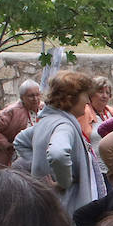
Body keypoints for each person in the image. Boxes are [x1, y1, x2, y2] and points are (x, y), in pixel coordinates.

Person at [31, 70, 105, 217]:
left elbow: (20, 141)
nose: (88, 101)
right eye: (85, 95)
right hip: (68, 215)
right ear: (70, 98)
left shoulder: (46, 121)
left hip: (50, 210)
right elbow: (58, 154)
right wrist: (64, 182)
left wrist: (40, 167)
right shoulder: (64, 126)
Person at [0, 79, 41, 168]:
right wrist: (7, 145)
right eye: (31, 96)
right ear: (22, 97)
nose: (35, 99)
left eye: (37, 95)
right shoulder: (12, 111)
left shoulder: (44, 109)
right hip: (16, 159)